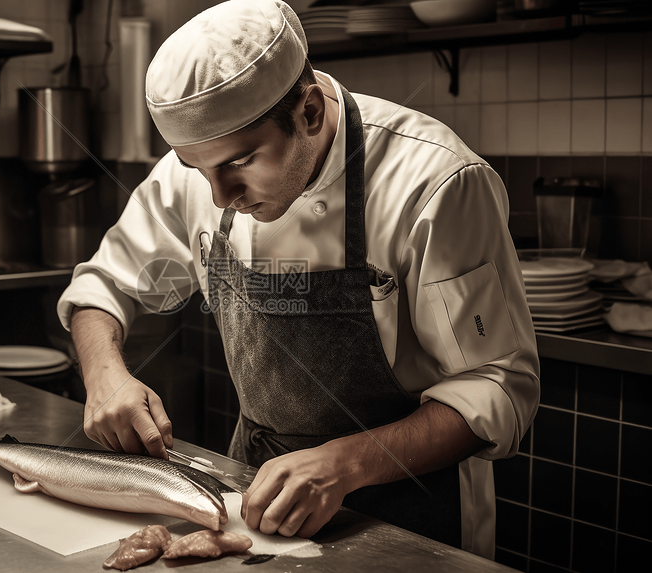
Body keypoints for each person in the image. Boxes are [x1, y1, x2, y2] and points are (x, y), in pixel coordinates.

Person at [57, 0, 539, 559]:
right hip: (258, 501)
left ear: (310, 112)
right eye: (197, 170)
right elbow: (103, 285)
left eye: (240, 163)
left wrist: (346, 463)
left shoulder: (436, 182)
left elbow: (500, 387)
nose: (219, 197)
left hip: (415, 514)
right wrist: (105, 374)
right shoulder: (201, 166)